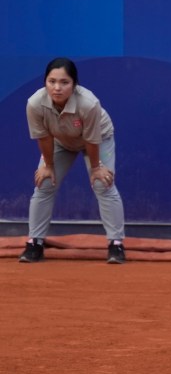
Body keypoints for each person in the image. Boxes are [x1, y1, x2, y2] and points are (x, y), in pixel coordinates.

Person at [19, 57, 126, 264]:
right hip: (59, 141)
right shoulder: (34, 104)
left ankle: (116, 244)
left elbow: (91, 139)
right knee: (45, 183)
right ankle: (35, 243)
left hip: (97, 139)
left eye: (64, 82)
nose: (57, 88)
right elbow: (44, 137)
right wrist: (48, 166)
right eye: (51, 81)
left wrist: (96, 168)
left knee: (102, 183)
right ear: (45, 82)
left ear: (74, 84)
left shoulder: (89, 103)